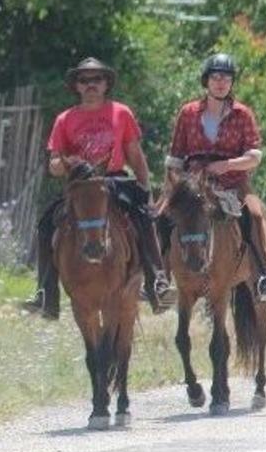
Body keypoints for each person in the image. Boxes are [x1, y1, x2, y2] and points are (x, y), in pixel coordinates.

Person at [21, 57, 176, 319]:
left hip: (114, 179)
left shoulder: (121, 113)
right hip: (79, 185)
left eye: (97, 80)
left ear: (106, 84)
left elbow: (135, 154)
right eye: (85, 80)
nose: (91, 85)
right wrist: (66, 164)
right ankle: (45, 293)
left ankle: (157, 281)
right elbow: (54, 163)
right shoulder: (64, 119)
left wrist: (146, 189)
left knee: (144, 218)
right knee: (47, 223)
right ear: (77, 86)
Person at [162, 53, 266, 297]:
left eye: (226, 78)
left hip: (234, 182)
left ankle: (265, 275)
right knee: (160, 212)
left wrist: (226, 165)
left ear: (231, 83)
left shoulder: (243, 114)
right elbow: (175, 157)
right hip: (193, 185)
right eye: (215, 77)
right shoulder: (188, 113)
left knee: (256, 214)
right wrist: (173, 188)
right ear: (206, 81)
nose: (221, 82)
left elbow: (254, 156)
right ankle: (159, 278)